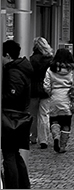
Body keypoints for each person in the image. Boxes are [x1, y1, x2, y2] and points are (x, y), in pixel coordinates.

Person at [2, 40, 33, 189]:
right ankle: (22, 185)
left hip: (11, 117)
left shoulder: (13, 71)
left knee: (9, 154)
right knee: (14, 153)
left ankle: (13, 186)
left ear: (7, 55)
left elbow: (13, 95)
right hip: (18, 116)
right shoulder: (21, 68)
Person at [44, 48, 74, 153]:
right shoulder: (72, 70)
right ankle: (62, 146)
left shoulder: (50, 69)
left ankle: (55, 137)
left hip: (54, 97)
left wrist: (50, 92)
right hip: (67, 98)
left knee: (54, 120)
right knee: (66, 123)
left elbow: (46, 85)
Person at [29, 37, 53, 149]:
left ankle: (33, 137)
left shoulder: (32, 59)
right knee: (44, 114)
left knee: (32, 115)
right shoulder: (50, 60)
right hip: (45, 89)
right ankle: (44, 139)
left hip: (33, 89)